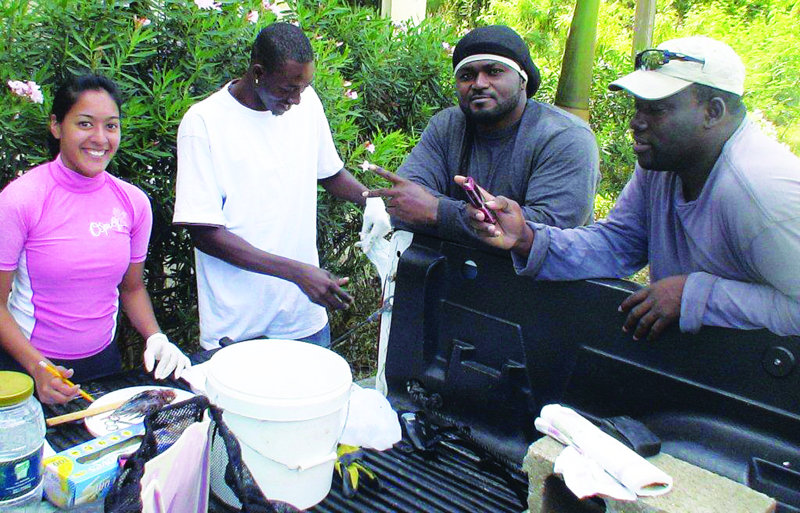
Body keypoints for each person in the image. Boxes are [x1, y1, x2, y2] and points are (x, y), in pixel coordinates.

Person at [464, 36, 800, 340]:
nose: (636, 123)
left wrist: (695, 295)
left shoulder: (763, 193)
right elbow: (618, 244)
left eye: (656, 110)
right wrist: (528, 239)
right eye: (638, 107)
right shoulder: (664, 163)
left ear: (712, 112)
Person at [173, 23, 391, 350]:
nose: (297, 100)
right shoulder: (204, 123)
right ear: (258, 72)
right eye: (288, 90)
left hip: (301, 318)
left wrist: (371, 201)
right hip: (237, 324)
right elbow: (204, 233)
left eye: (303, 89)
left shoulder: (306, 103)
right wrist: (298, 273)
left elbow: (329, 173)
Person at [0, 74, 190, 404]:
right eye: (85, 124)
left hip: (104, 366)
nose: (100, 138)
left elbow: (132, 288)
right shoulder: (22, 200)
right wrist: (37, 367)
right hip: (27, 370)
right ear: (57, 126)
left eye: (111, 126)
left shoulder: (132, 202)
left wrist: (156, 337)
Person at [363, 25, 600, 242]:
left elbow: (546, 231)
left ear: (522, 81)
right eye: (466, 75)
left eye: (494, 71)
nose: (479, 83)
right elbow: (405, 205)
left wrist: (438, 212)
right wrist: (469, 218)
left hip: (537, 285)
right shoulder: (447, 125)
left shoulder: (564, 137)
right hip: (452, 273)